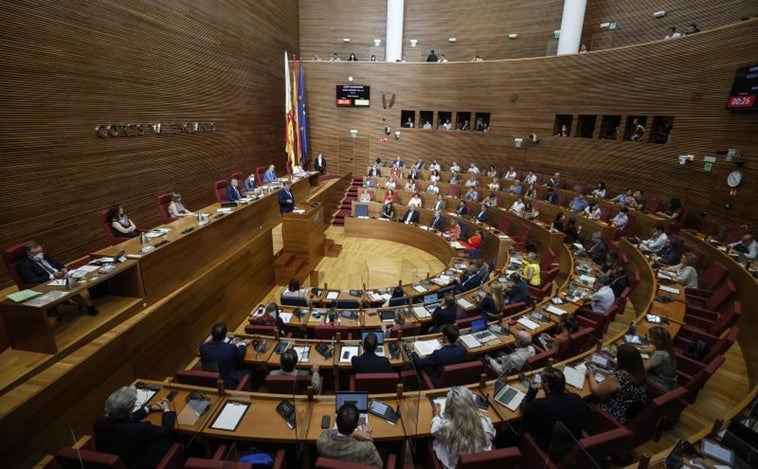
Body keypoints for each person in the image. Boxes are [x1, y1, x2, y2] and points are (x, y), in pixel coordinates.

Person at [93, 386, 176, 469]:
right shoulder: (139, 429)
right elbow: (166, 430)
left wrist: (149, 408)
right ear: (131, 409)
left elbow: (123, 421)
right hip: (137, 463)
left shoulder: (99, 423)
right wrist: (166, 410)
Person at [522, 368, 588, 461]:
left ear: (546, 385)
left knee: (523, 424)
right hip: (573, 447)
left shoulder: (540, 404)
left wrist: (532, 389)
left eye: (542, 381)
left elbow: (524, 408)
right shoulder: (576, 398)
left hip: (550, 451)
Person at [18, 241, 99, 315]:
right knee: (69, 287)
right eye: (36, 253)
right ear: (29, 253)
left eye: (41, 252)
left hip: (61, 276)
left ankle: (96, 293)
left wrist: (63, 269)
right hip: (48, 283)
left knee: (84, 276)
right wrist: (52, 276)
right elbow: (31, 279)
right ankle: (88, 306)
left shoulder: (45, 256)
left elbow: (58, 264)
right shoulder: (24, 264)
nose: (40, 254)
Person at [430, 386, 495, 468]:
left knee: (437, 442)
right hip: (482, 464)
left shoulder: (447, 427)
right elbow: (493, 435)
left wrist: (436, 414)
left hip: (457, 465)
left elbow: (435, 430)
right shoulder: (485, 422)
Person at [587, 344, 647, 424]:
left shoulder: (618, 378)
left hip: (611, 417)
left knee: (583, 400)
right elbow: (615, 374)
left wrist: (590, 374)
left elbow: (596, 391)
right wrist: (598, 370)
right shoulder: (639, 373)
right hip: (626, 413)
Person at [316, 402, 382, 467]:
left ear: (336, 420)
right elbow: (379, 465)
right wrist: (364, 435)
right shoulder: (367, 448)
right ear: (356, 425)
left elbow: (326, 432)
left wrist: (354, 433)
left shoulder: (322, 443)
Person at [200, 323, 250, 389]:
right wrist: (243, 343)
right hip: (228, 382)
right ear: (224, 337)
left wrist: (214, 335)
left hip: (211, 380)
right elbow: (241, 355)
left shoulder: (203, 347)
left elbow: (206, 343)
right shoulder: (230, 348)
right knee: (249, 370)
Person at [642, 327, 677, 391]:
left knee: (632, 373)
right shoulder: (667, 347)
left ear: (657, 340)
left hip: (663, 384)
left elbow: (642, 368)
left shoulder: (660, 354)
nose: (648, 339)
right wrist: (639, 349)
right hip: (670, 381)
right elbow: (651, 350)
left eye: (650, 337)